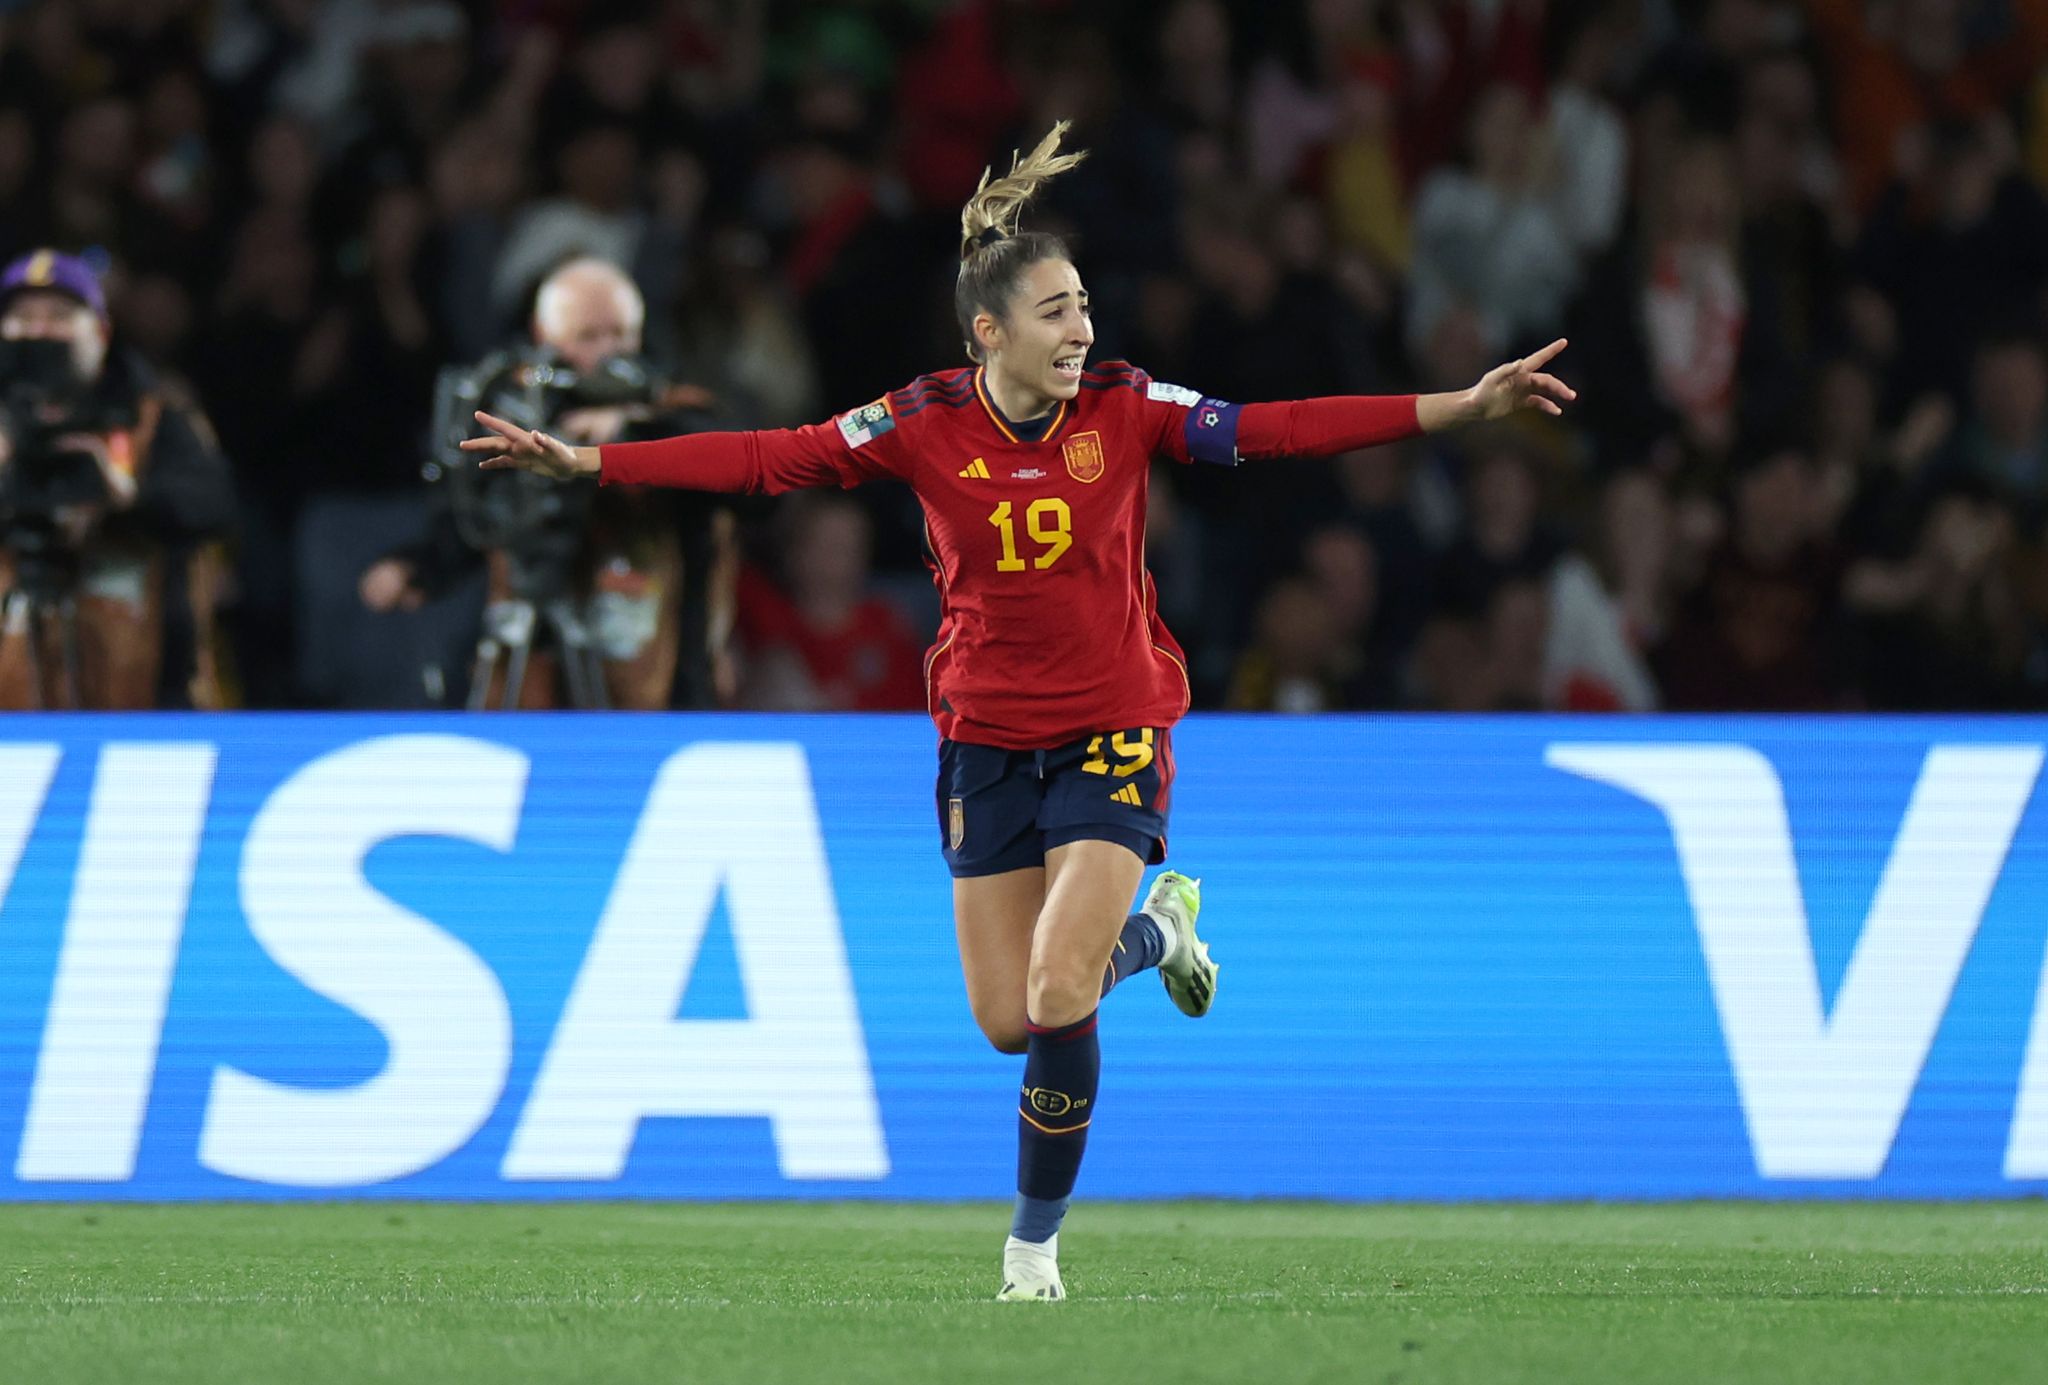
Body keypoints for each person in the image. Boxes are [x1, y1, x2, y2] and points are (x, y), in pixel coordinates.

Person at [462, 123, 1574, 1300]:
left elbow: (1274, 427)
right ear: (987, 332)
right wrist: (590, 467)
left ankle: (1030, 1248)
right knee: (1009, 1020)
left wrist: (1458, 404)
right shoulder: (920, 418)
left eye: (1082, 305)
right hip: (984, 741)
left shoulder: (1127, 405)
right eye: (1054, 311)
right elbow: (769, 458)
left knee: (1054, 991)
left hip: (1112, 727)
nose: (1080, 329)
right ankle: (1159, 933)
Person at [360, 256, 730, 709]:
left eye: (620, 334)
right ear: (543, 334)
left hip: (654, 665)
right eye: (588, 337)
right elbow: (482, 519)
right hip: (536, 653)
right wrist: (419, 566)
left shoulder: (672, 403)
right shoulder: (521, 408)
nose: (608, 352)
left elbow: (743, 477)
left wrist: (630, 431)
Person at [0, 249, 235, 709]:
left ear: (101, 333)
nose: (40, 333)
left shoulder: (151, 418)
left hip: (142, 698)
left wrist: (127, 497)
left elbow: (216, 505)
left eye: (59, 317)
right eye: (23, 319)